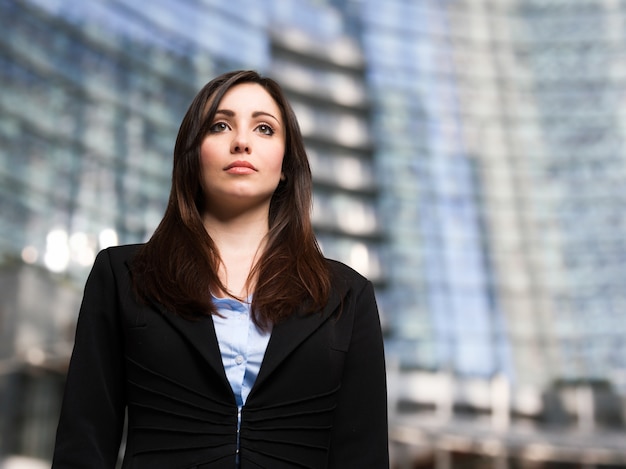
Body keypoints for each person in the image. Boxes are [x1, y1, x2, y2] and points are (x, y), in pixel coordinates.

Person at [51, 70, 389, 468]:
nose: (241, 141)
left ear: (285, 165)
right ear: (193, 154)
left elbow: (364, 455)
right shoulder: (122, 275)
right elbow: (84, 442)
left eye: (264, 128)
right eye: (220, 125)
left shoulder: (347, 295)